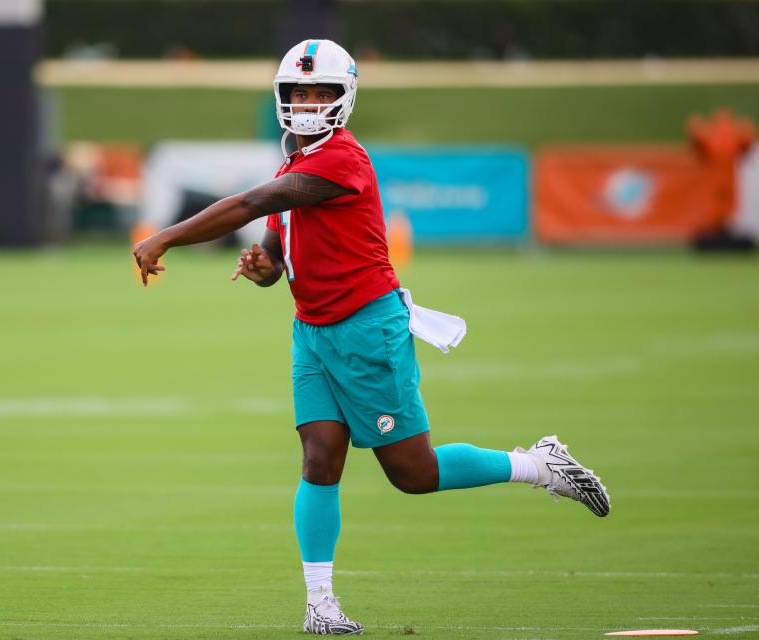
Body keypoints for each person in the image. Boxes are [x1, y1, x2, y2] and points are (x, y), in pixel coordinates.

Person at [133, 38, 611, 636]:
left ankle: (539, 464)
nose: (308, 103)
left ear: (344, 97)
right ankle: (321, 606)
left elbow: (252, 203)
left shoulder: (341, 161)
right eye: (299, 92)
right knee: (319, 458)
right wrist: (264, 269)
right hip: (312, 331)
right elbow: (278, 250)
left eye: (320, 92)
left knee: (413, 473)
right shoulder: (294, 164)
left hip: (366, 329)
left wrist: (163, 237)